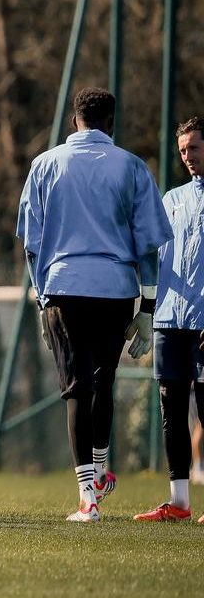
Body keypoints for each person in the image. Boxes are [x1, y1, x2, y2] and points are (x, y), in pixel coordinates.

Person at [19, 87, 170, 522]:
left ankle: (88, 496)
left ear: (74, 121)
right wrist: (147, 309)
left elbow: (31, 244)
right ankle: (100, 472)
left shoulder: (45, 165)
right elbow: (149, 246)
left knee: (76, 389)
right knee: (103, 383)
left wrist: (41, 296)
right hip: (115, 291)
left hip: (63, 288)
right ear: (111, 122)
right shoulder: (132, 166)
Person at [137, 117, 204, 523]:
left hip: (202, 321)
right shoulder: (172, 199)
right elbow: (153, 254)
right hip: (168, 319)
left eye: (194, 147)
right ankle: (179, 502)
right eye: (182, 150)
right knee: (171, 408)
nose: (187, 156)